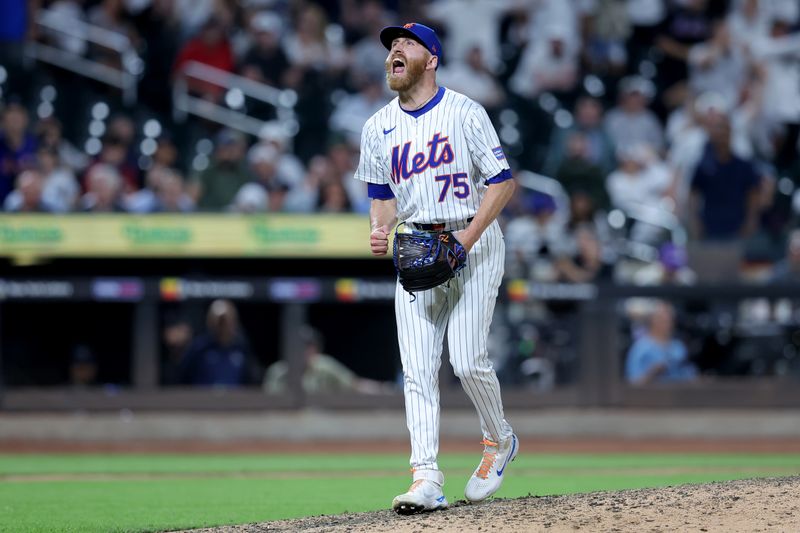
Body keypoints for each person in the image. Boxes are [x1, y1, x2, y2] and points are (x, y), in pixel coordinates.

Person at [354, 22, 518, 514]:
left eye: (406, 44)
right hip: (416, 245)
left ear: (433, 59)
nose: (394, 52)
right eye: (390, 47)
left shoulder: (464, 112)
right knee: (418, 370)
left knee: (467, 360)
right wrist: (380, 228)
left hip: (473, 236)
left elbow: (502, 182)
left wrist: (467, 240)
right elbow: (381, 197)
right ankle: (426, 476)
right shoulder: (376, 127)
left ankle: (499, 439)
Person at [177, 299, 261, 387]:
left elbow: (252, 380)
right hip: (202, 399)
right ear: (209, 321)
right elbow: (183, 378)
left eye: (226, 321)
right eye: (219, 321)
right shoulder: (198, 348)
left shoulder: (242, 349)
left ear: (234, 321)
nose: (222, 326)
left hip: (235, 399)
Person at [625, 301, 698, 386]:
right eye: (662, 319)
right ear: (652, 320)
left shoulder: (678, 346)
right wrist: (653, 372)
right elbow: (632, 383)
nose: (667, 323)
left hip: (679, 397)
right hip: (650, 397)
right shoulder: (640, 348)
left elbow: (689, 377)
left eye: (669, 319)